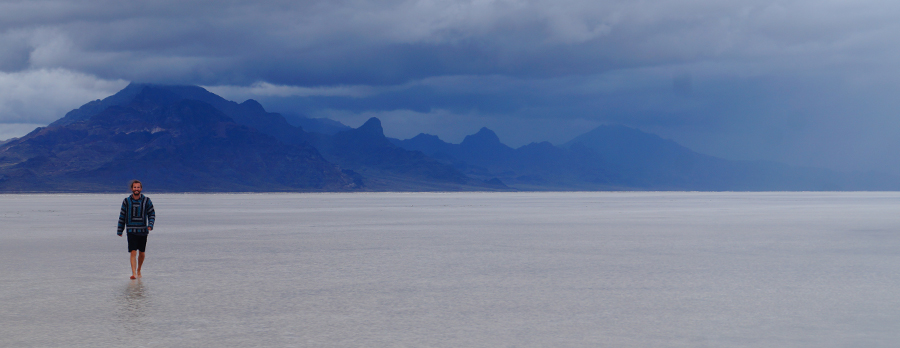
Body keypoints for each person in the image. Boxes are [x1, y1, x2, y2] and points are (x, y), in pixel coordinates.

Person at [117, 180, 156, 279]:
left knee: (142, 252)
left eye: (138, 187)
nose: (136, 189)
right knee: (133, 251)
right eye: (135, 187)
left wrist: (150, 225)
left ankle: (139, 270)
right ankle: (134, 273)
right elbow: (122, 215)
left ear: (141, 189)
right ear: (132, 189)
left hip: (143, 230)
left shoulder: (147, 201)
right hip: (131, 230)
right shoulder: (126, 201)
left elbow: (152, 214)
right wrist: (120, 230)